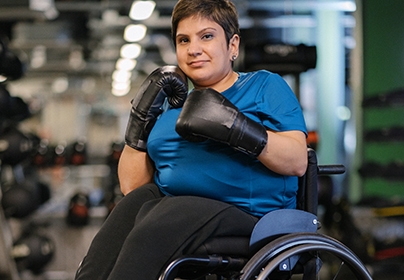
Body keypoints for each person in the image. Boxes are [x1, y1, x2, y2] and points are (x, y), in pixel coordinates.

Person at [75, 0, 308, 279]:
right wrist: (139, 120)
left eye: (207, 36)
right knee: (130, 210)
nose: (193, 49)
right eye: (183, 40)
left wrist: (236, 126)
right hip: (174, 213)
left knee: (156, 226)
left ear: (232, 45)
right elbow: (132, 186)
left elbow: (297, 162)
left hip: (250, 216)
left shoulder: (263, 86)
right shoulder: (170, 109)